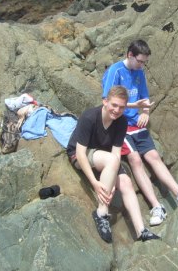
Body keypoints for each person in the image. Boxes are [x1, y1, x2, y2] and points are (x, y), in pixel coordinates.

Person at [102, 39, 178, 226]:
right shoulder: (115, 71)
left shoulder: (139, 72)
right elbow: (107, 101)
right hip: (119, 124)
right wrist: (134, 105)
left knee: (153, 155)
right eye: (140, 61)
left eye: (145, 62)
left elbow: (144, 97)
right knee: (135, 160)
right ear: (130, 55)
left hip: (136, 124)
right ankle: (156, 206)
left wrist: (145, 112)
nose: (142, 65)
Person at [66, 85, 160, 243]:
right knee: (111, 161)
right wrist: (95, 183)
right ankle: (101, 213)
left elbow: (116, 153)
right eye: (114, 105)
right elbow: (81, 154)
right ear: (105, 101)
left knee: (126, 182)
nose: (116, 110)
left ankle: (141, 231)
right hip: (80, 154)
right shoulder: (89, 117)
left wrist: (114, 175)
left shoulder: (121, 122)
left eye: (121, 107)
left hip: (105, 157)